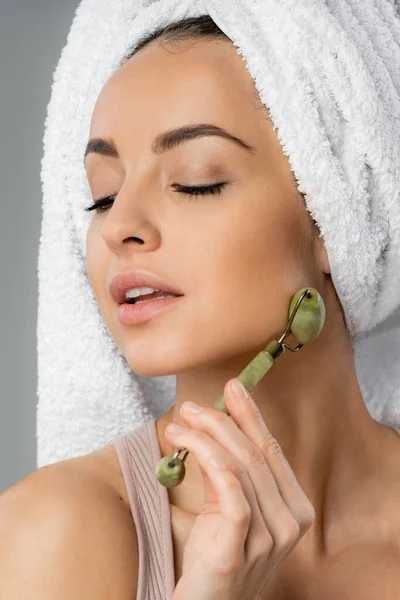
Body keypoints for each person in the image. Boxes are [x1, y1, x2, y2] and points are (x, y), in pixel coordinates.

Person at [1, 14, 400, 600]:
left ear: (336, 216)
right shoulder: (54, 534)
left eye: (195, 181)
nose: (120, 227)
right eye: (103, 196)